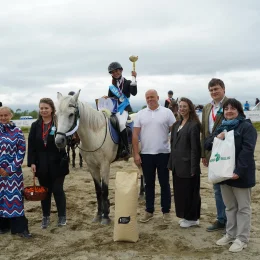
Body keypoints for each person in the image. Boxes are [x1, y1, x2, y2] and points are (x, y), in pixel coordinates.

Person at [205, 98, 257, 253]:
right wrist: (217, 138)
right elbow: (207, 144)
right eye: (226, 109)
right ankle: (230, 234)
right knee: (230, 207)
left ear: (239, 111)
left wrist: (238, 171)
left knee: (243, 208)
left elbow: (247, 151)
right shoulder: (222, 127)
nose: (229, 111)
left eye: (232, 109)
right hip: (224, 174)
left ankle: (242, 238)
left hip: (240, 175)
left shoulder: (246, 127)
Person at [132, 89, 176, 223]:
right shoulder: (140, 114)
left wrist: (174, 152)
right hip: (146, 154)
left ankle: (166, 211)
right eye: (147, 97)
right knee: (148, 184)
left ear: (157, 97)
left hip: (163, 153)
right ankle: (149, 211)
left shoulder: (167, 112)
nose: (150, 99)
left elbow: (174, 132)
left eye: (152, 97)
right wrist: (135, 153)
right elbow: (135, 135)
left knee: (164, 183)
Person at [27, 98, 69, 229]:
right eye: (41, 108)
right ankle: (45, 217)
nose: (43, 110)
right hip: (41, 164)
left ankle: (62, 216)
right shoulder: (35, 125)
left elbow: (66, 139)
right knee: (45, 192)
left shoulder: (59, 123)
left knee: (57, 190)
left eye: (46, 108)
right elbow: (32, 145)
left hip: (58, 162)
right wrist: (32, 163)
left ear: (52, 109)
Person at [168, 98, 201, 228]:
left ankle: (193, 218)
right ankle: (185, 216)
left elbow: (195, 148)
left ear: (190, 108)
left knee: (190, 193)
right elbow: (172, 145)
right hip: (177, 165)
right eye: (180, 106)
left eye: (185, 106)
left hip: (188, 165)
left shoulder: (194, 125)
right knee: (180, 192)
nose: (182, 109)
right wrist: (171, 163)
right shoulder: (176, 124)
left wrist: (194, 167)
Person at [201, 78, 228, 232]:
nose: (213, 92)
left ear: (223, 89)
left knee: (229, 188)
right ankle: (221, 219)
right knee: (217, 187)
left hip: (227, 151)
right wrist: (204, 154)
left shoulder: (231, 104)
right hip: (212, 152)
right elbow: (204, 132)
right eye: (211, 90)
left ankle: (231, 221)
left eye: (216, 89)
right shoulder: (206, 108)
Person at [0, 106, 31, 238]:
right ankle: (3, 226)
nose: (3, 118)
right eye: (0, 116)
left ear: (11, 115)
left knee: (15, 200)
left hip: (14, 174)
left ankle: (19, 228)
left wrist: (9, 169)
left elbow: (21, 152)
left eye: (6, 115)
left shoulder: (18, 132)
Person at [104, 62, 137, 158]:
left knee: (122, 124)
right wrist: (106, 97)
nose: (115, 73)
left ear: (121, 70)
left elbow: (134, 93)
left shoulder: (127, 83)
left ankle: (126, 148)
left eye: (117, 71)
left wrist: (134, 78)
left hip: (124, 109)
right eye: (113, 72)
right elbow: (111, 99)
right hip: (114, 109)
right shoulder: (111, 87)